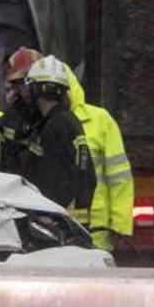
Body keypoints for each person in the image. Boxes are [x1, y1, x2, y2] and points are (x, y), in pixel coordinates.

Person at [59, 62, 134, 252]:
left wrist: (120, 225)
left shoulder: (100, 120)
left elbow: (119, 177)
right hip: (55, 226)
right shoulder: (42, 122)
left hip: (96, 228)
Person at [21, 56, 96, 217]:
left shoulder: (55, 127)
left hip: (57, 219)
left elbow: (52, 178)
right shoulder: (67, 121)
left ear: (37, 89)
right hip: (70, 217)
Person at [0, 47, 43, 174]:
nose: (25, 89)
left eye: (27, 82)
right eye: (19, 84)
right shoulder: (10, 119)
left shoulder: (55, 116)